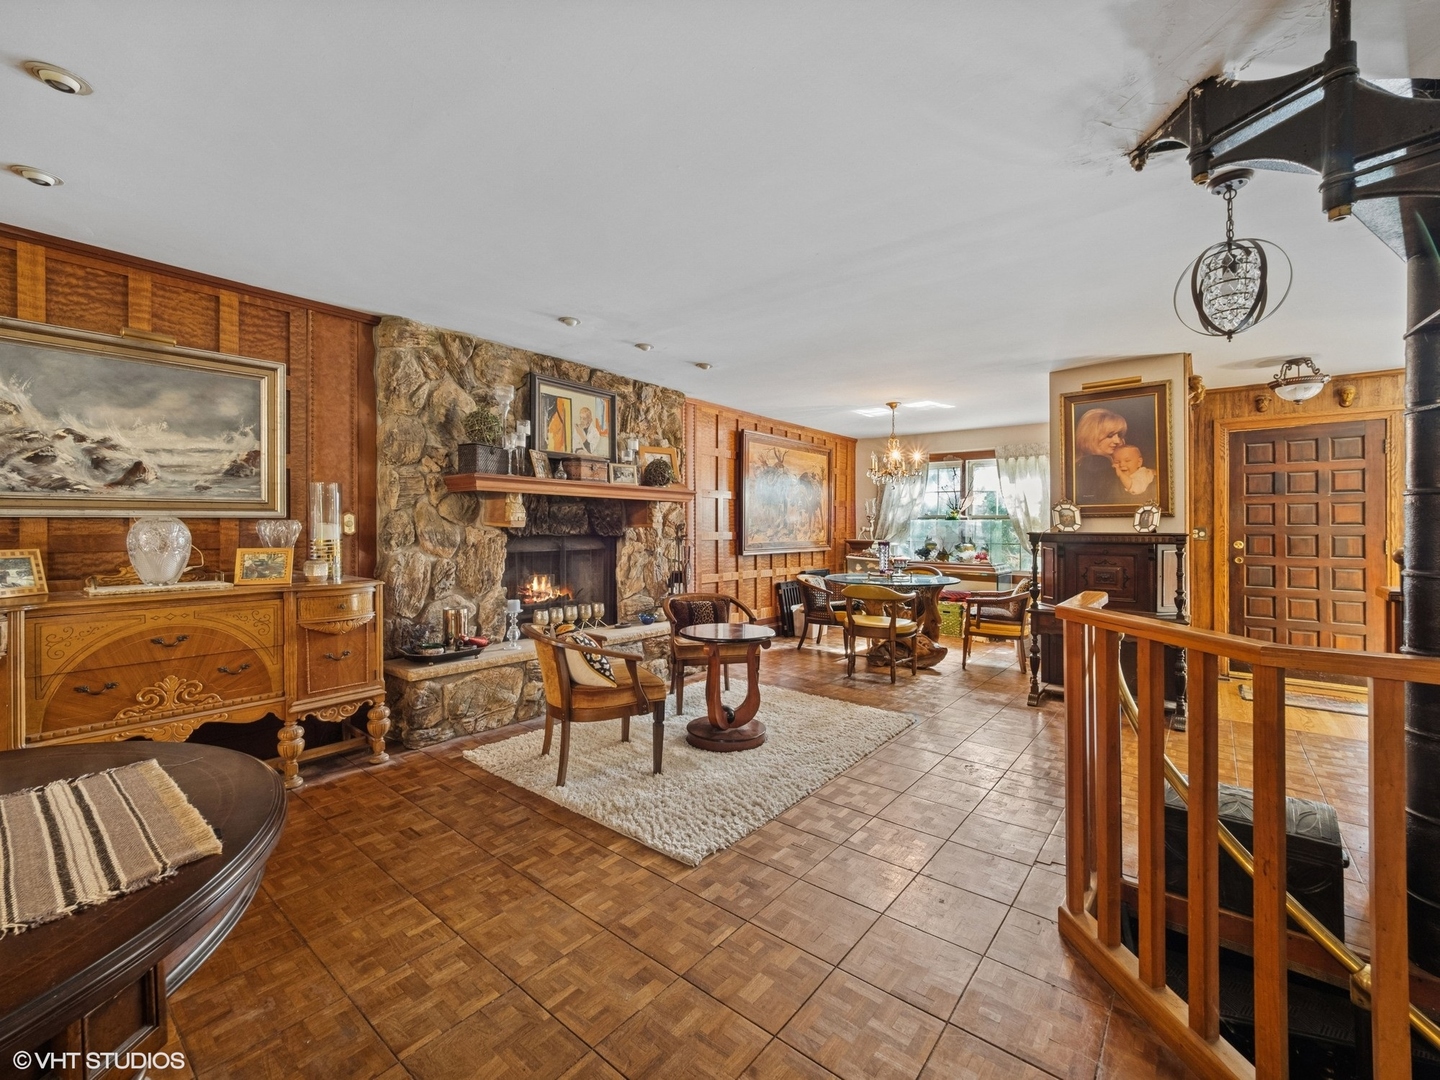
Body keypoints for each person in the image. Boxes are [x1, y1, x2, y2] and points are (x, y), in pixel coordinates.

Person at [1073, 407, 1130, 504]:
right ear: (1091, 436)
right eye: (1110, 435)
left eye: (1119, 435)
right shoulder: (1099, 462)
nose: (1117, 441)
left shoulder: (1081, 463)